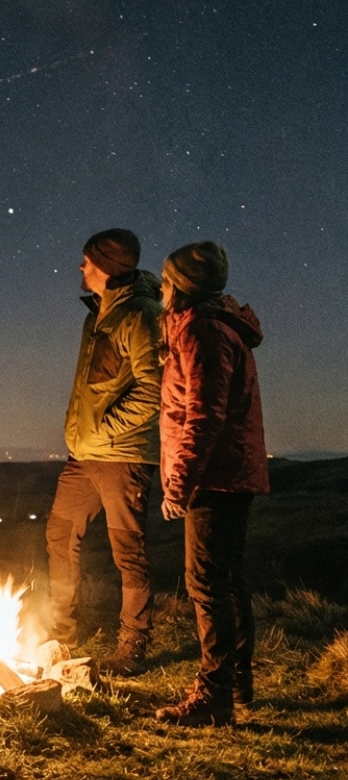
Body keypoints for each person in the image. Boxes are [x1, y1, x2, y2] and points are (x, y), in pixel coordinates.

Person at [153, 242, 269, 728]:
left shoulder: (202, 330)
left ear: (181, 285)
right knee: (226, 580)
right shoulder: (213, 327)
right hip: (229, 474)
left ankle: (214, 697)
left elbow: (202, 417)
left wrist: (178, 486)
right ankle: (234, 685)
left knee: (206, 585)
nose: (160, 288)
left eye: (165, 280)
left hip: (214, 479)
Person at [44, 228, 163, 676]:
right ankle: (60, 633)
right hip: (86, 453)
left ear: (108, 267)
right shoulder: (98, 314)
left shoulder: (141, 315)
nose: (80, 267)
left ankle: (133, 644)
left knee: (127, 551)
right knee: (59, 533)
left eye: (88, 261)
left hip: (122, 455)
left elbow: (155, 390)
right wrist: (88, 436)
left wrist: (107, 431)